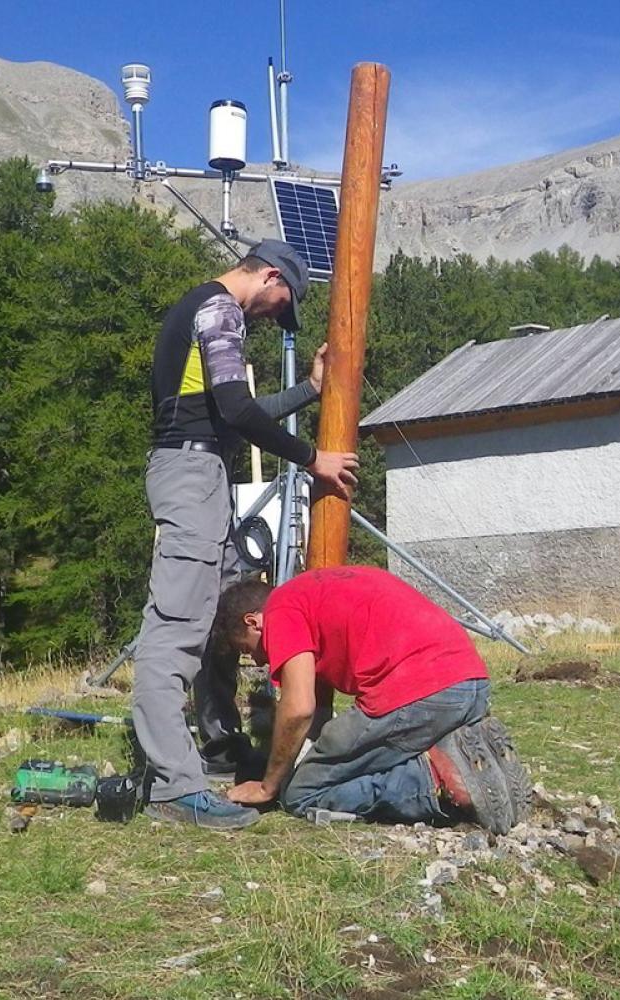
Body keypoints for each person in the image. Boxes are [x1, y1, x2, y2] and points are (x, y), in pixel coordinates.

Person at [135, 239, 359, 831]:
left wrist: (310, 391)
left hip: (197, 471)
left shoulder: (204, 310)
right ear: (267, 275)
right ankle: (173, 786)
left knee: (204, 619)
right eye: (280, 303)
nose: (274, 316)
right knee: (177, 628)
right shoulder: (219, 310)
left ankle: (204, 755)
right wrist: (313, 458)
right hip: (191, 474)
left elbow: (234, 410)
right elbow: (237, 411)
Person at [209, 567, 530, 834]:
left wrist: (268, 786)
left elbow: (298, 709)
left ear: (253, 622)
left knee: (301, 794)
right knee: (330, 767)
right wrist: (308, 759)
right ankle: (481, 760)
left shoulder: (280, 610)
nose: (259, 661)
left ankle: (437, 782)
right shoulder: (316, 591)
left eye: (246, 650)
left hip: (422, 691)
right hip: (470, 683)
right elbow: (317, 711)